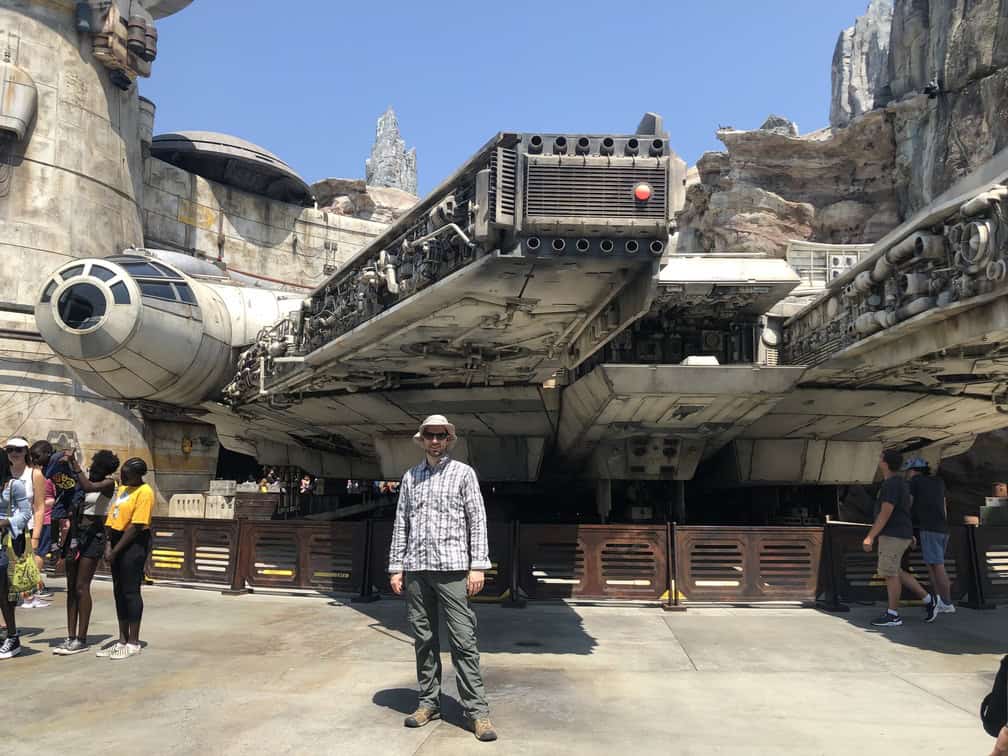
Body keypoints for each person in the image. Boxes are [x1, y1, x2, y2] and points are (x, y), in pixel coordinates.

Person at [388, 414, 497, 742]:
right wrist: (396, 566)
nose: (435, 441)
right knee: (423, 640)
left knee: (464, 641)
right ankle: (428, 702)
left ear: (449, 440)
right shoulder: (411, 477)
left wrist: (478, 565)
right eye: (429, 436)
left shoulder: (463, 474)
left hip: (452, 570)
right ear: (422, 440)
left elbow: (477, 519)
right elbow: (401, 523)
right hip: (418, 570)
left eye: (441, 435)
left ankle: (477, 712)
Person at [53, 449, 120, 656]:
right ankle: (70, 636)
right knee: (71, 587)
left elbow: (88, 486)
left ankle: (81, 638)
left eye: (99, 468)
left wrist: (75, 465)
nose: (95, 470)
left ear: (106, 470)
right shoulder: (81, 479)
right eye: (94, 465)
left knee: (82, 586)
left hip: (93, 536)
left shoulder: (108, 484)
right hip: (75, 534)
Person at [863, 450, 933, 626]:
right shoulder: (901, 483)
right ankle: (928, 599)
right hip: (900, 533)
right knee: (896, 571)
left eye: (880, 458)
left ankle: (893, 614)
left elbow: (886, 513)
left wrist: (870, 536)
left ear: (885, 463)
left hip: (893, 535)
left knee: (889, 573)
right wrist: (908, 533)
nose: (879, 460)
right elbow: (905, 508)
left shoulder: (890, 485)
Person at [99, 457, 153, 660]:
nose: (122, 476)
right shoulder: (123, 489)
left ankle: (133, 641)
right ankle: (122, 638)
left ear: (137, 474)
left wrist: (115, 551)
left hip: (133, 543)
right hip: (115, 539)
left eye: (126, 473)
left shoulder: (144, 492)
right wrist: (108, 544)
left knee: (131, 591)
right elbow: (112, 517)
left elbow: (136, 526)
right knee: (118, 590)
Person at [903, 456, 956, 616]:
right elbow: (944, 504)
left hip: (929, 528)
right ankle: (939, 600)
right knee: (932, 565)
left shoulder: (915, 482)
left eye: (907, 472)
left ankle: (947, 603)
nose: (906, 475)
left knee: (938, 566)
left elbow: (909, 503)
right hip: (942, 528)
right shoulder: (938, 481)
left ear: (913, 471)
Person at [6, 438, 48, 608]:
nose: (14, 453)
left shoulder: (34, 474)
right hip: (5, 526)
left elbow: (39, 507)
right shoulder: (3, 472)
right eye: (10, 449)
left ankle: (26, 598)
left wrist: (36, 536)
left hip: (25, 528)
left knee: (22, 567)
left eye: (19, 449)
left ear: (26, 452)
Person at [0, 450, 33, 658]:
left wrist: (7, 522)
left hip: (6, 544)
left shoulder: (14, 486)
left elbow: (26, 513)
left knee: (4, 595)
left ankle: (13, 637)